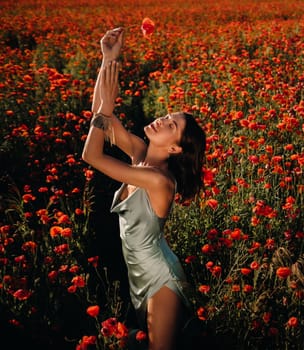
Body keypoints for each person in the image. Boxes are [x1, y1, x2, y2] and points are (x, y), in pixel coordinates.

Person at [82, 28, 206, 349]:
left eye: (172, 125)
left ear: (176, 149)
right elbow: (100, 116)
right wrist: (108, 59)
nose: (163, 120)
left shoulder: (160, 180)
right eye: (167, 115)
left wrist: (106, 110)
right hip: (137, 274)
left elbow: (91, 154)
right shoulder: (140, 154)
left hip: (160, 279)